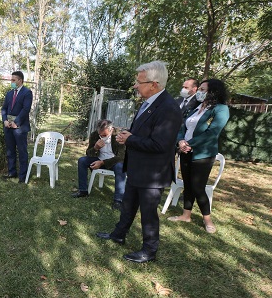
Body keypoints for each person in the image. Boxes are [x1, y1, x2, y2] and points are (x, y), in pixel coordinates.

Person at [95, 61, 182, 263]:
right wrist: (129, 135)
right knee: (128, 204)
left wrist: (130, 139)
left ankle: (149, 251)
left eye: (139, 81)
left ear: (154, 84)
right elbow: (146, 133)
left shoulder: (169, 108)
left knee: (148, 212)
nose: (135, 85)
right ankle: (118, 234)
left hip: (153, 172)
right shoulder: (148, 102)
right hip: (137, 166)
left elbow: (161, 144)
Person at [169, 79, 230, 233]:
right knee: (188, 184)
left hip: (202, 153)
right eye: (200, 89)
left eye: (203, 89)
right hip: (186, 150)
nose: (200, 92)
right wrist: (181, 141)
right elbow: (183, 126)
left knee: (198, 187)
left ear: (213, 92)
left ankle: (207, 219)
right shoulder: (197, 107)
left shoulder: (221, 109)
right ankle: (186, 215)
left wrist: (189, 143)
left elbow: (212, 133)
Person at [72, 119, 126, 210]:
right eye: (100, 135)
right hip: (99, 158)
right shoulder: (94, 135)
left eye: (104, 135)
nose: (102, 137)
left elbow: (121, 157)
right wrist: (96, 148)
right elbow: (88, 153)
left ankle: (118, 200)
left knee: (120, 167)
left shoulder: (119, 136)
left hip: (114, 162)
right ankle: (83, 191)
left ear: (111, 130)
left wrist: (102, 163)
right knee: (82, 160)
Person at [1, 70, 32, 183]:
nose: (11, 82)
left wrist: (16, 122)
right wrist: (5, 120)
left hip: (20, 127)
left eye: (13, 80)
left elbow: (26, 109)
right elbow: (4, 108)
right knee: (10, 150)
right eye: (11, 80)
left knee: (22, 151)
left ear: (20, 80)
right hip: (8, 126)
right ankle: (12, 172)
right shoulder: (9, 93)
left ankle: (23, 176)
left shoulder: (27, 92)